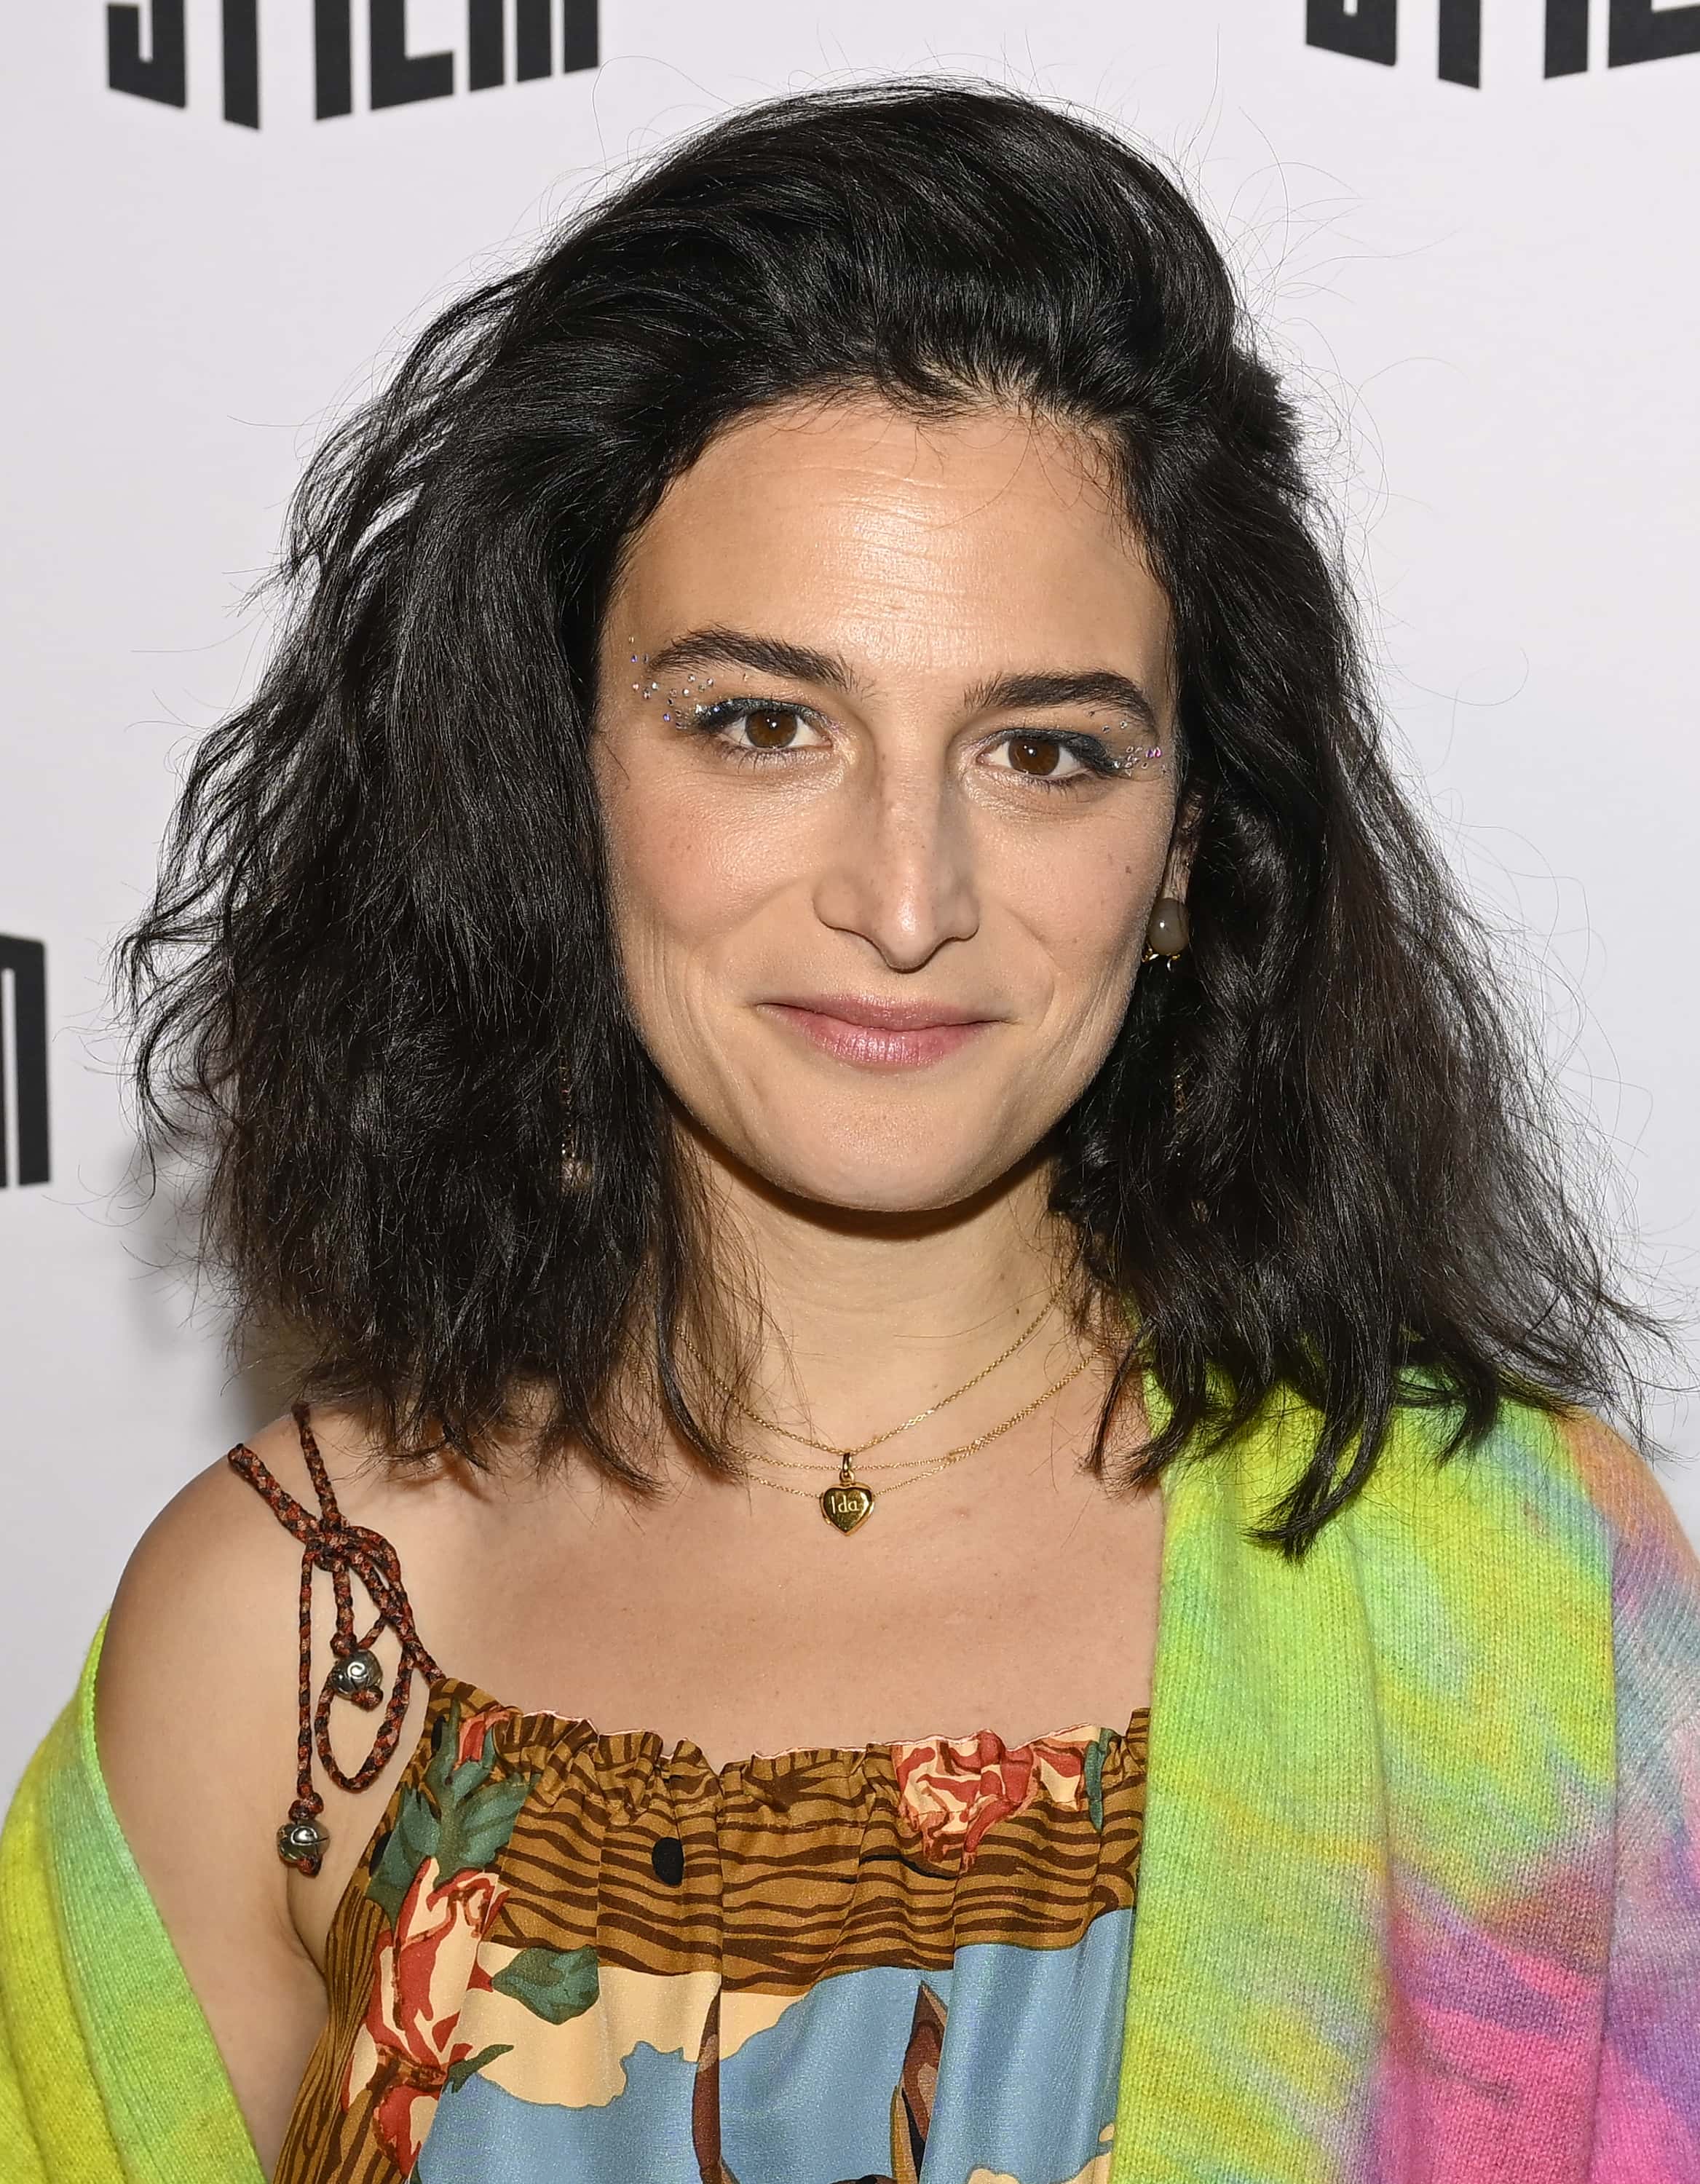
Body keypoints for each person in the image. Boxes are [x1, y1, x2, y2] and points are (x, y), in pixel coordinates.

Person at [2, 77, 1696, 2184]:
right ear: (556, 771)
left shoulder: (1493, 1592)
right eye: (760, 724)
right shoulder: (280, 1636)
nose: (908, 899)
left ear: (1188, 849)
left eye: (1048, 751)